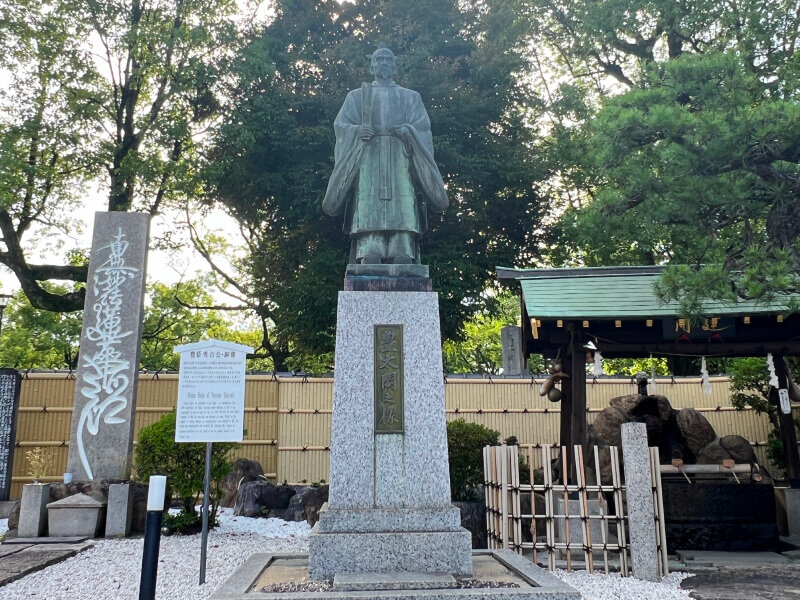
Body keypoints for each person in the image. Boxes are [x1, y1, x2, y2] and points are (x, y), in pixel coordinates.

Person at [322, 44, 448, 265]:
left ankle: (403, 247)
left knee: (403, 201)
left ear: (395, 67)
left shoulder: (410, 97)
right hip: (368, 158)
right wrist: (357, 131)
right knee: (369, 203)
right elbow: (341, 126)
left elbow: (423, 128)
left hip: (401, 157)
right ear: (371, 66)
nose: (383, 64)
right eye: (378, 60)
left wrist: (409, 132)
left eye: (388, 60)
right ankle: (370, 247)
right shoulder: (356, 97)